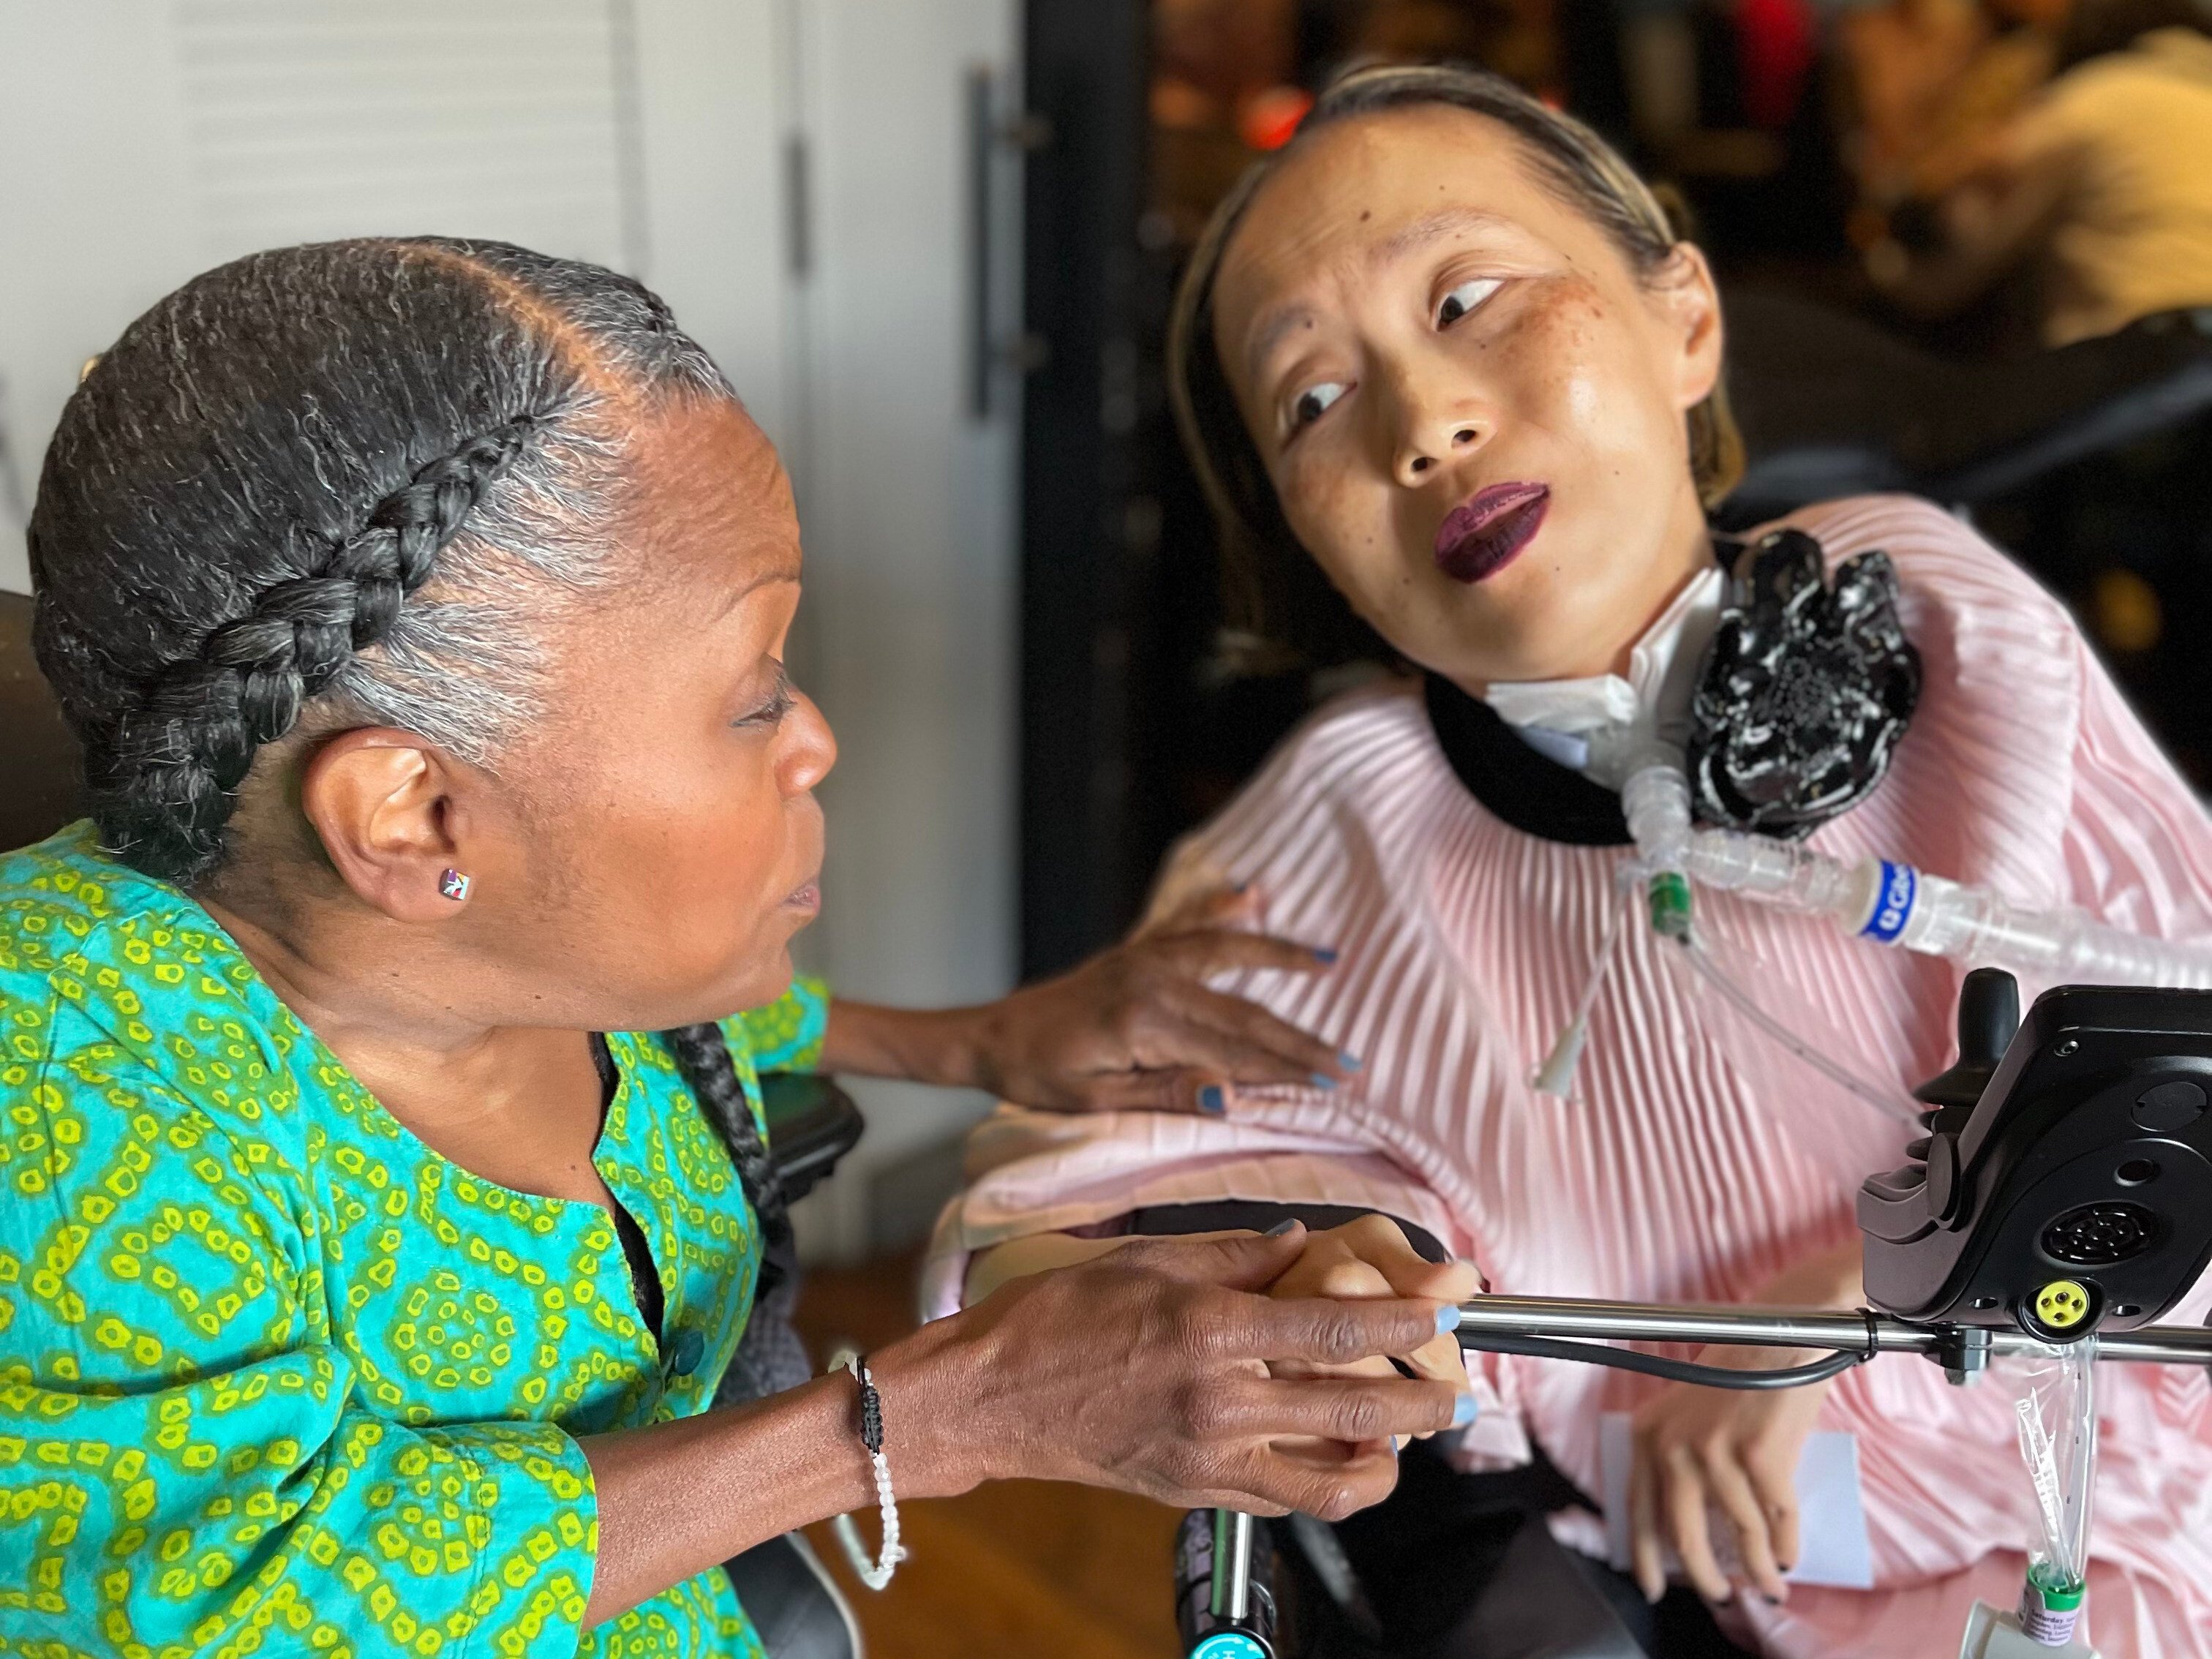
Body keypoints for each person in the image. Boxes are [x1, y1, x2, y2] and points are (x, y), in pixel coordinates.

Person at [0, 238, 1478, 1658]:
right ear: (414, 816)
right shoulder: (63, 1100)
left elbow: (703, 1039)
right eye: (755, 691)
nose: (819, 736)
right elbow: (249, 1596)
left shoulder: (520, 954)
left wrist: (973, 1043)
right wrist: (949, 1413)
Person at [930, 65, 2212, 1658]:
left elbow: (2179, 1070)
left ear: (1684, 317)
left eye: (1469, 298)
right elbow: (1023, 1237)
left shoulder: (1941, 621)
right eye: (1314, 402)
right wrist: (1298, 1275)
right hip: (1766, 1602)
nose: (1423, 423)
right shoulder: (1340, 834)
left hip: (2148, 1508)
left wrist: (1816, 1316)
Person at [1864, 0, 2212, 345]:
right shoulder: (2201, 98)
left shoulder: (2087, 103)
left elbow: (1953, 276)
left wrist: (1877, 253)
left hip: (2131, 364)